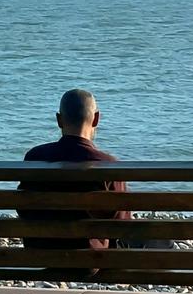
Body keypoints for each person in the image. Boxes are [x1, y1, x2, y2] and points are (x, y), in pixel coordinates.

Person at [17, 88, 130, 251]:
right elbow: (122, 226)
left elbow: (24, 210)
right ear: (96, 119)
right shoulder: (108, 164)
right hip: (91, 261)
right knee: (161, 243)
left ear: (59, 120)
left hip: (42, 254)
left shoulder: (34, 157)